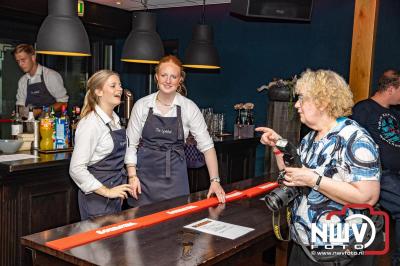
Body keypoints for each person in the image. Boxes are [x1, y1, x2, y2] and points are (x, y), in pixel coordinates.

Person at [256, 69, 381, 265]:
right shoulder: (311, 138)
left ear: (322, 101)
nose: (296, 105)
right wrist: (278, 147)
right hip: (305, 245)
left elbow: (368, 197)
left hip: (338, 252)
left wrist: (314, 180)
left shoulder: (354, 139)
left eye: (302, 99)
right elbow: (294, 175)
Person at [125, 55, 225, 207]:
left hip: (175, 180)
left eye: (173, 76)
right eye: (164, 75)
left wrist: (215, 181)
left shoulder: (188, 107)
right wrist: (132, 176)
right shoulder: (142, 105)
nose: (168, 80)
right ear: (157, 77)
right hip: (143, 179)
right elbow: (130, 145)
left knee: (175, 224)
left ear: (180, 80)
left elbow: (207, 147)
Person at [69, 70, 133, 220]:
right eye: (113, 86)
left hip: (115, 197)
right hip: (96, 200)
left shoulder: (115, 121)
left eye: (120, 85)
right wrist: (107, 192)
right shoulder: (91, 123)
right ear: (98, 91)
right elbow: (76, 169)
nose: (119, 89)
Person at [352, 69, 400, 266]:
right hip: (379, 175)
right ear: (390, 89)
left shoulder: (395, 113)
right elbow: (351, 143)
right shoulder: (363, 109)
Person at [13, 44, 68, 117]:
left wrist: (40, 111)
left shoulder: (50, 76)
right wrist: (19, 112)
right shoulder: (22, 81)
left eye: (23, 60)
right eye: (18, 61)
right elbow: (20, 104)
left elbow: (63, 103)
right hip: (32, 126)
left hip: (53, 125)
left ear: (33, 57)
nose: (20, 64)